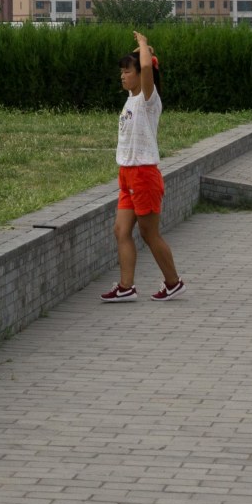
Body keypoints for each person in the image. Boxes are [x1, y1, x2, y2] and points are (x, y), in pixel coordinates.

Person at [100, 30, 184, 303]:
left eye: (127, 71)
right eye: (121, 72)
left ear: (140, 75)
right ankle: (126, 287)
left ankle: (173, 282)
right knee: (121, 231)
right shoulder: (131, 99)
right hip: (126, 174)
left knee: (149, 232)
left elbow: (147, 65)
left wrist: (144, 44)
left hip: (143, 174)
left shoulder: (149, 99)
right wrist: (139, 52)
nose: (122, 76)